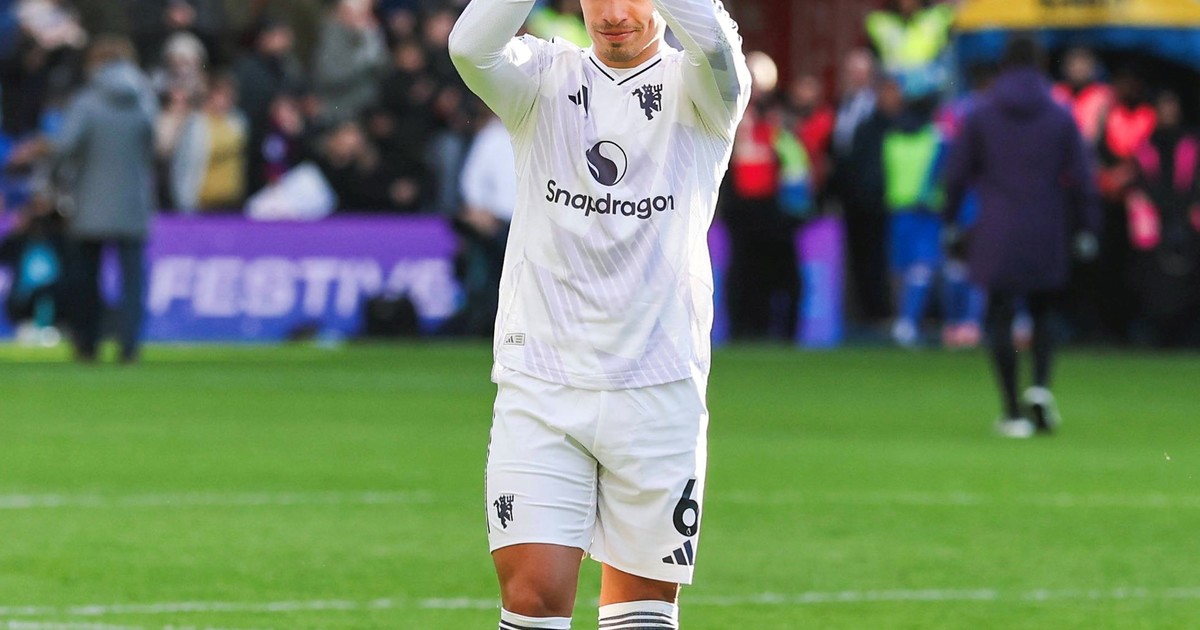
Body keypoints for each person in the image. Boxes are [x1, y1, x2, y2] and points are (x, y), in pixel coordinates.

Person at [450, 0, 750, 627]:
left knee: (641, 612)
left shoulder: (703, 88)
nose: (613, 14)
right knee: (532, 598)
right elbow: (468, 47)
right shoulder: (539, 79)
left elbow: (714, 46)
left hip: (659, 387)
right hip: (542, 383)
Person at [943, 37, 1100, 438]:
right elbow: (1083, 177)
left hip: (996, 227)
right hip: (1047, 224)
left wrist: (949, 221)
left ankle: (1012, 409)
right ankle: (1040, 387)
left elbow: (956, 174)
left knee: (999, 315)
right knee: (1045, 311)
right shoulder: (1060, 115)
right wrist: (1087, 226)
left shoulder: (981, 114)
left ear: (1003, 66)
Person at [18, 36, 158, 363]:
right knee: (133, 279)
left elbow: (65, 147)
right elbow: (153, 147)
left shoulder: (87, 101)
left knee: (85, 278)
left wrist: (49, 165)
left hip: (91, 201)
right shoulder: (145, 99)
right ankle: (129, 346)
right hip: (134, 201)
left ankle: (87, 344)